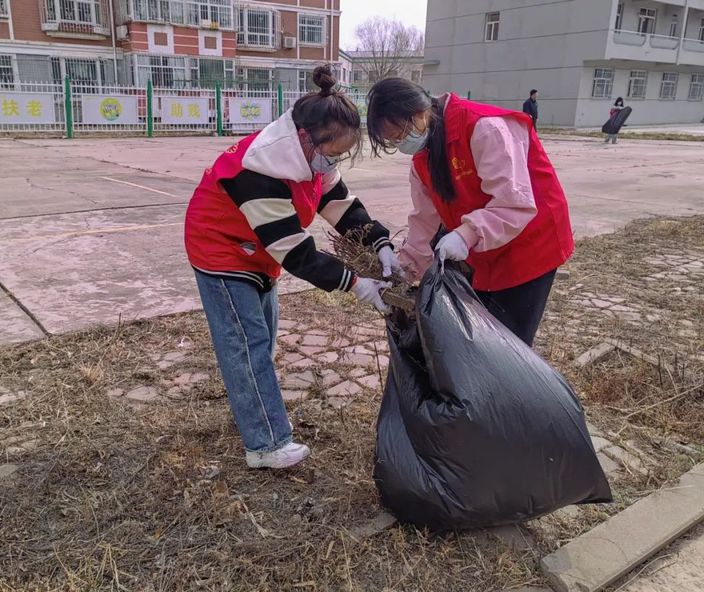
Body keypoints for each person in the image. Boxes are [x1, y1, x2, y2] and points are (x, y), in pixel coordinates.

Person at [185, 66, 400, 470]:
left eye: (339, 156)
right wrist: (357, 284)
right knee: (247, 344)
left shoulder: (310, 158)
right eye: (332, 153)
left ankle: (252, 410)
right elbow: (298, 254)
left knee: (262, 339)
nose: (332, 162)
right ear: (305, 137)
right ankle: (265, 444)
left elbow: (342, 207)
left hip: (259, 249)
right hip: (222, 250)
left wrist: (380, 242)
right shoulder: (259, 170)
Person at [366, 78, 574, 347]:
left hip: (529, 244)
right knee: (480, 335)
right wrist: (403, 269)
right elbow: (423, 221)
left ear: (420, 113)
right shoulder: (422, 159)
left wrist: (466, 234)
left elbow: (513, 203)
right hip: (483, 247)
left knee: (510, 342)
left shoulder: (484, 127)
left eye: (400, 134)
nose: (401, 143)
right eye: (393, 141)